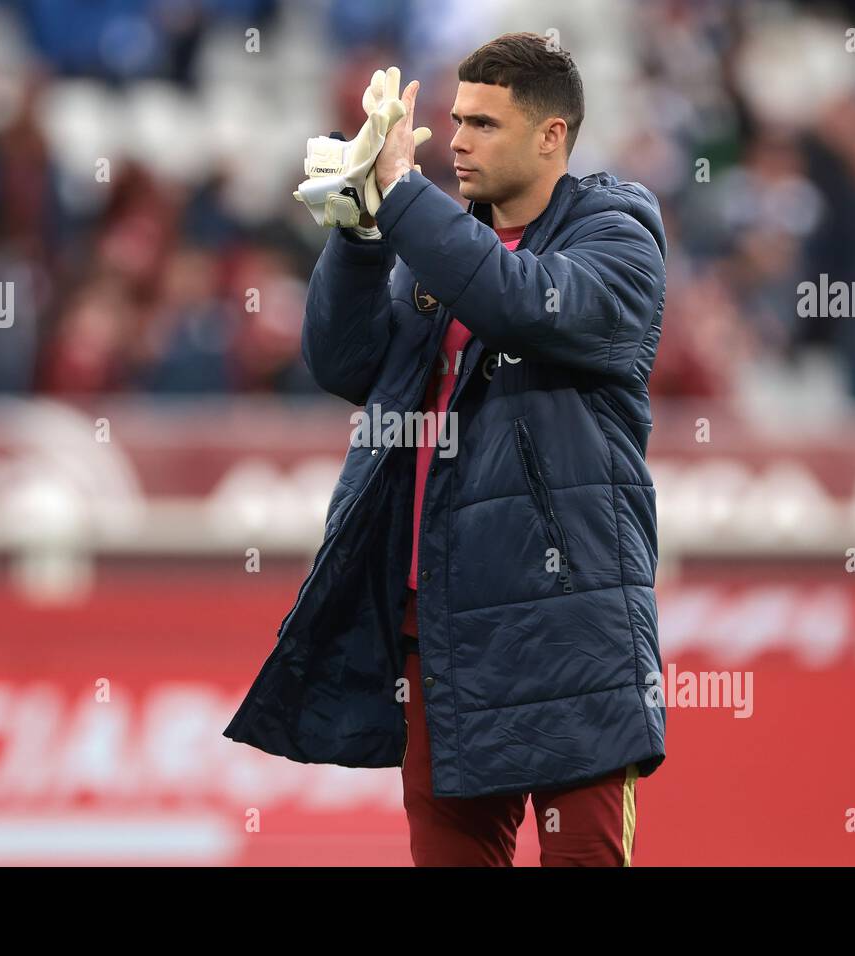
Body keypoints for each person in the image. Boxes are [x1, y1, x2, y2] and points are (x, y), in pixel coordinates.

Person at [224, 32, 668, 866]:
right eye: (456, 119)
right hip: (442, 624)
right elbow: (344, 363)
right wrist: (358, 241)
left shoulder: (619, 235)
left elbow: (523, 304)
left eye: (485, 124)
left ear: (552, 137)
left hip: (569, 621)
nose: (456, 140)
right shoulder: (435, 246)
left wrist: (398, 194)